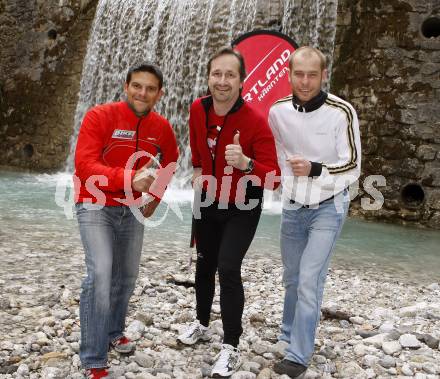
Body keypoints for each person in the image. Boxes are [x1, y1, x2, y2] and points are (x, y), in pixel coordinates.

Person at [177, 47, 280, 377]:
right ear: (209, 77)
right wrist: (195, 167)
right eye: (216, 74)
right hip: (207, 197)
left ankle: (230, 346)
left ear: (241, 81)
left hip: (243, 204)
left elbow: (274, 178)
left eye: (230, 75)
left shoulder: (255, 122)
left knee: (227, 266)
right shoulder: (198, 108)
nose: (222, 81)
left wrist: (247, 163)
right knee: (204, 265)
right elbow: (195, 142)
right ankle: (201, 323)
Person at [74, 63, 179, 379]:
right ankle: (93, 357)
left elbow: (170, 164)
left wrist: (154, 200)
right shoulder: (100, 116)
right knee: (101, 273)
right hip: (94, 203)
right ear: (126, 86)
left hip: (132, 209)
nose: (142, 93)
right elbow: (84, 165)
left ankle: (113, 331)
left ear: (159, 94)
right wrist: (129, 178)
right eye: (137, 86)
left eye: (150, 88)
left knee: (127, 276)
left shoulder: (161, 128)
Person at [268, 46, 361, 378]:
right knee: (292, 278)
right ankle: (286, 333)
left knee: (310, 279)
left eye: (312, 75)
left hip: (329, 207)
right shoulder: (276, 112)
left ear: (324, 75)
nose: (305, 82)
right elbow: (276, 155)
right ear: (289, 75)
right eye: (298, 74)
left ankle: (298, 354)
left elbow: (353, 166)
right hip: (292, 206)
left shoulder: (341, 112)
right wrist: (270, 178)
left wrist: (315, 169)